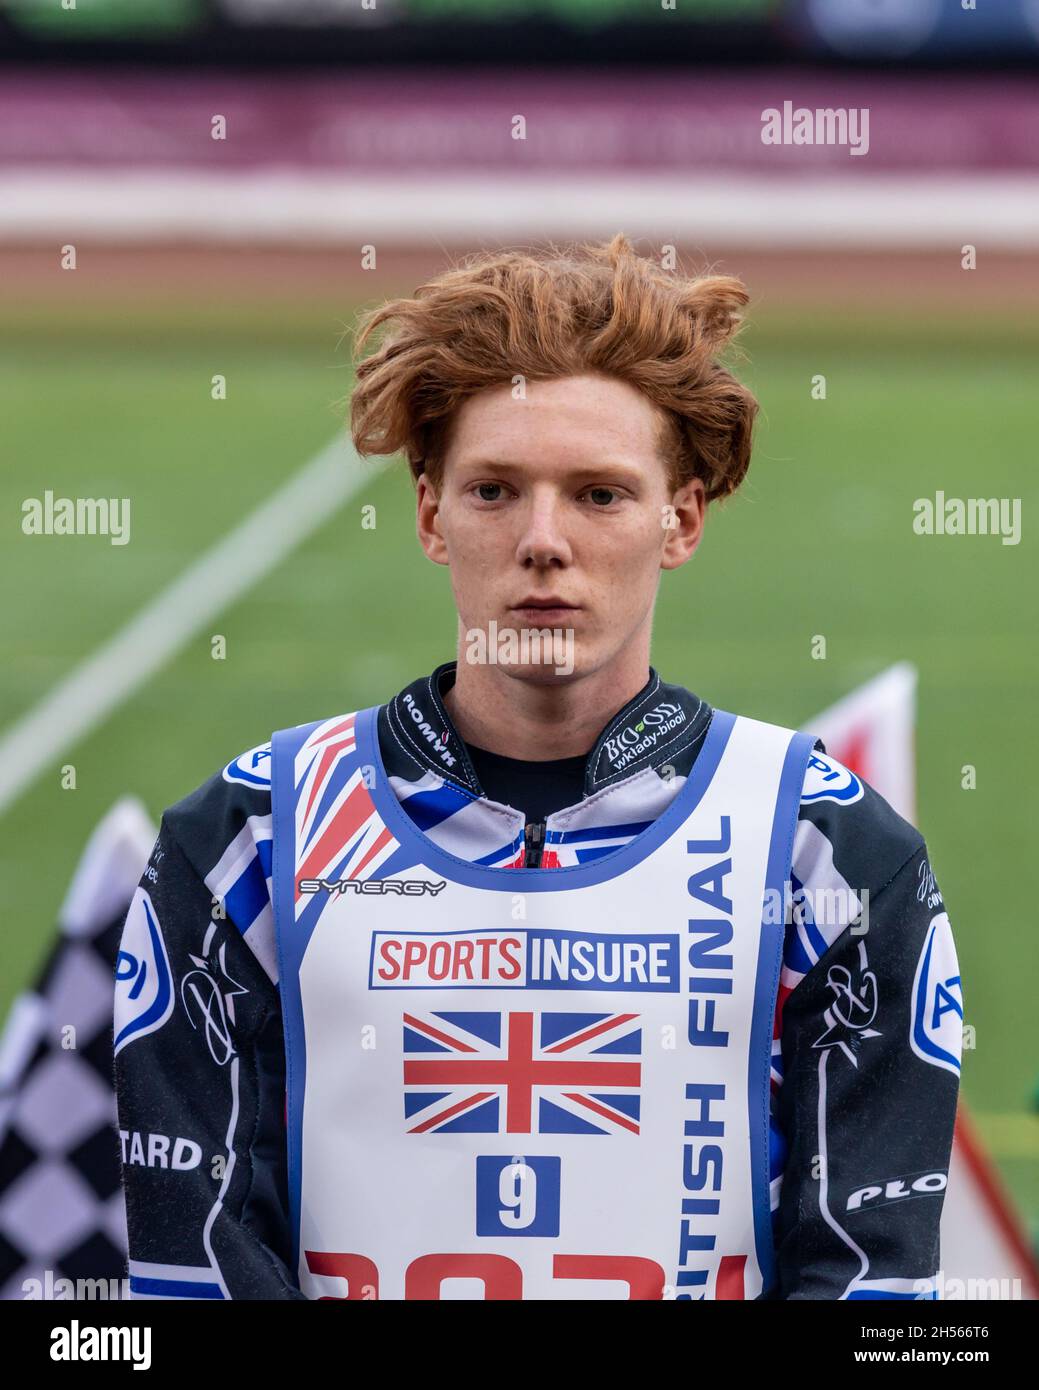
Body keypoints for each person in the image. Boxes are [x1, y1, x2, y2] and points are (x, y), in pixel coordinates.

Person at [113, 234, 962, 1301]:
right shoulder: (249, 838)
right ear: (431, 514)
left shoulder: (825, 851)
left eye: (601, 495)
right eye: (494, 491)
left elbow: (875, 1290)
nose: (543, 540)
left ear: (680, 518)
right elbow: (192, 1275)